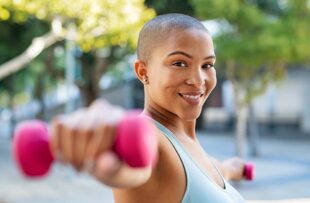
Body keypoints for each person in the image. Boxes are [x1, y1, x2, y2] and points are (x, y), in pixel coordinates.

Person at [51, 13, 247, 203]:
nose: (198, 80)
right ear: (143, 71)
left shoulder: (190, 146)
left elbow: (214, 170)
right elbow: (132, 165)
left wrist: (235, 169)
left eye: (207, 65)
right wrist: (110, 145)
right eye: (180, 63)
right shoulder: (151, 139)